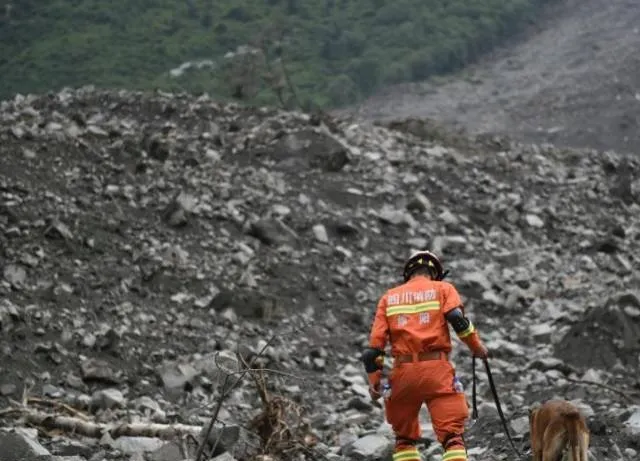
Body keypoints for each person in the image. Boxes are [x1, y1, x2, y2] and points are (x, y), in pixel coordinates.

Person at [361, 250, 489, 461]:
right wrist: (476, 347)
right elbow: (457, 319)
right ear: (435, 272)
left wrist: (374, 383)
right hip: (436, 371)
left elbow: (373, 350)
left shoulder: (389, 297)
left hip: (403, 374)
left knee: (404, 439)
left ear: (408, 273)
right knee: (452, 437)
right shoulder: (443, 289)